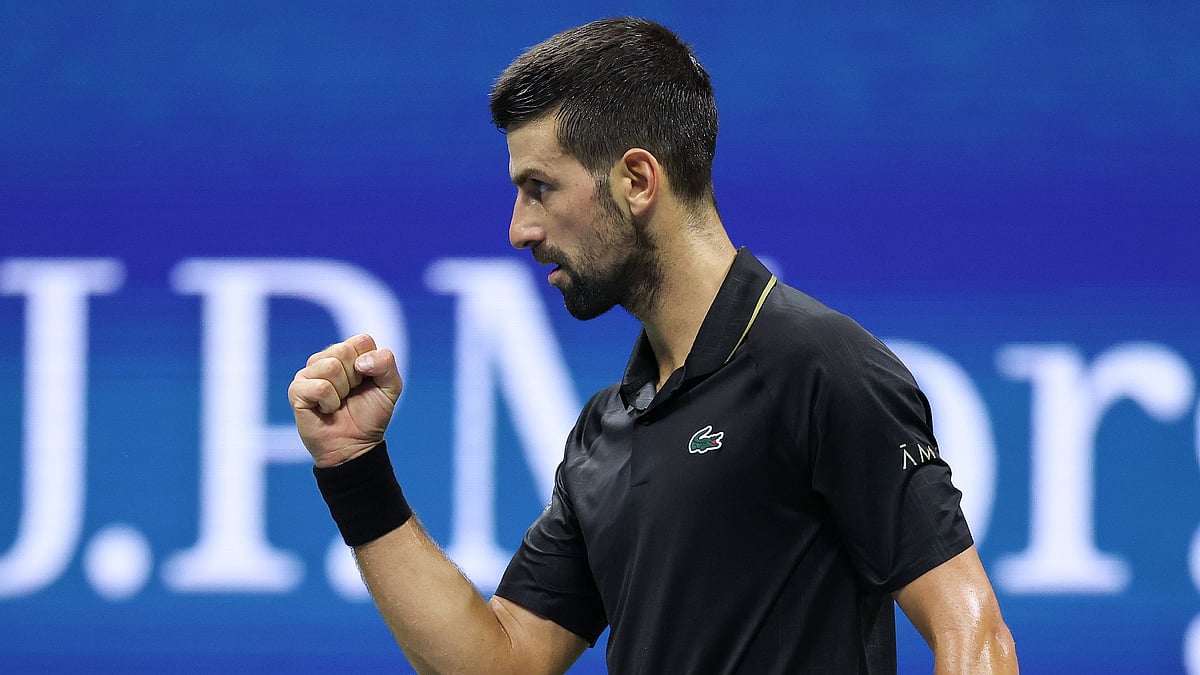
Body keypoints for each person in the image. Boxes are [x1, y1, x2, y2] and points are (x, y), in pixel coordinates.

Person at [288, 17, 1018, 674]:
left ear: (637, 180)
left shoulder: (821, 367)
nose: (518, 228)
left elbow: (974, 633)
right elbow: (500, 664)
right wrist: (355, 471)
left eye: (539, 187)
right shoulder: (605, 431)